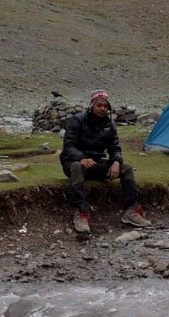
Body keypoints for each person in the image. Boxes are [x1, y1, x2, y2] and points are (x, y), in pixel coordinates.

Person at [60, 89, 151, 233]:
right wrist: (82, 158)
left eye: (105, 106)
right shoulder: (77, 120)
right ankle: (81, 211)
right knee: (78, 166)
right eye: (99, 105)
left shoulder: (110, 125)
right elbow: (69, 146)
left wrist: (116, 161)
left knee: (126, 168)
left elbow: (115, 148)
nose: (103, 108)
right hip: (74, 163)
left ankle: (130, 211)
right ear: (92, 105)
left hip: (96, 163)